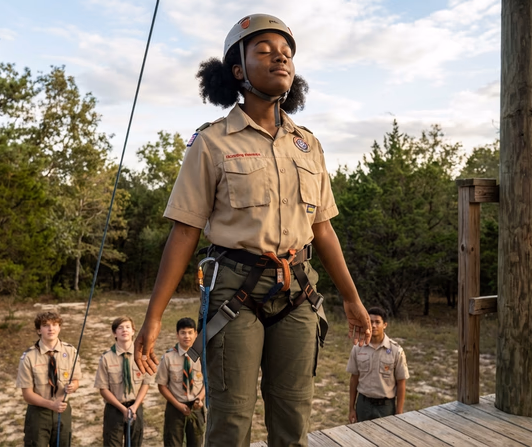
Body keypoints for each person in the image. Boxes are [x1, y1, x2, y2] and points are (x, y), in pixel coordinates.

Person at [133, 13, 372, 447]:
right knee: (230, 423)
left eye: (286, 53)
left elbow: (323, 229)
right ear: (238, 71)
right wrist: (152, 319)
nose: (279, 57)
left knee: (294, 419)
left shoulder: (308, 144)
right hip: (234, 295)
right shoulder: (211, 143)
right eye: (264, 50)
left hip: (298, 292)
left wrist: (353, 301)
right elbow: (184, 233)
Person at [16, 311, 82, 447]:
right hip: (39, 413)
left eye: (54, 325)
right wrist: (51, 405)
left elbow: (76, 380)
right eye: (45, 325)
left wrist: (73, 386)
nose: (51, 328)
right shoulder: (29, 357)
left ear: (59, 328)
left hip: (63, 410)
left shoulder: (70, 351)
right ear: (39, 330)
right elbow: (27, 394)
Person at [94, 316, 154, 447]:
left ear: (133, 331)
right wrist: (123, 409)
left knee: (135, 443)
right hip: (114, 409)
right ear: (114, 333)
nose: (124, 330)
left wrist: (135, 406)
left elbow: (146, 383)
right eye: (120, 328)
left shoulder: (142, 356)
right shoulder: (106, 358)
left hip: (135, 407)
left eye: (127, 327)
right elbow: (103, 389)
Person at [346, 307, 409, 423]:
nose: (373, 325)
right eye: (370, 322)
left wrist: (399, 412)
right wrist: (351, 409)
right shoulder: (358, 348)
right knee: (361, 438)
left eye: (377, 322)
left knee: (385, 439)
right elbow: (354, 379)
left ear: (385, 325)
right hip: (363, 404)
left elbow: (401, 382)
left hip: (385, 407)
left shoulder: (396, 350)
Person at [155, 317, 206, 447]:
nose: (186, 336)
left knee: (196, 442)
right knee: (172, 442)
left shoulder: (202, 356)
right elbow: (162, 386)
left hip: (196, 406)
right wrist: (178, 405)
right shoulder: (168, 357)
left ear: (196, 334)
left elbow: (207, 380)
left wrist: (200, 398)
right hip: (175, 407)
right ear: (177, 334)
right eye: (183, 333)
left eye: (190, 332)